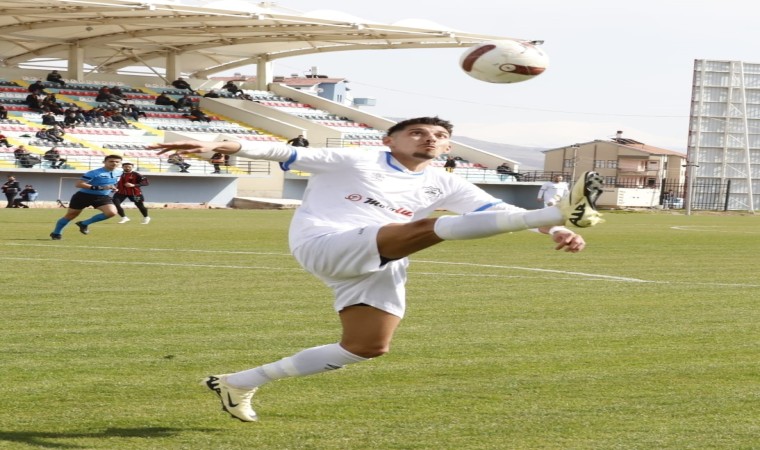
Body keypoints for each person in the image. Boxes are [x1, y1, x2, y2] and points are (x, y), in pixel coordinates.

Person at [148, 116, 604, 422]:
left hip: (382, 258)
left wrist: (555, 232)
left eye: (439, 136)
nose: (430, 139)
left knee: (366, 346)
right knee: (429, 227)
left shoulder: (444, 180)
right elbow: (275, 152)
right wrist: (216, 143)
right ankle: (558, 209)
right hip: (325, 242)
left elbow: (498, 210)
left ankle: (238, 383)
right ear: (390, 140)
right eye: (417, 133)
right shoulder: (356, 157)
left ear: (448, 146)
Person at [49, 154, 123, 240]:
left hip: (102, 197)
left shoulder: (119, 173)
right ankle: (56, 233)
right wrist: (99, 187)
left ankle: (84, 223)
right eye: (111, 161)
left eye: (117, 162)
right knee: (71, 215)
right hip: (83, 196)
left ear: (120, 163)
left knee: (111, 212)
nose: (114, 163)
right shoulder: (94, 173)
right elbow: (78, 184)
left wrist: (114, 188)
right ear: (104, 162)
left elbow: (112, 183)